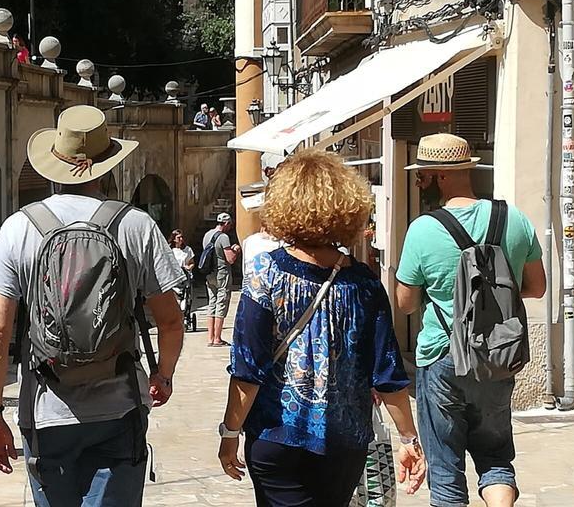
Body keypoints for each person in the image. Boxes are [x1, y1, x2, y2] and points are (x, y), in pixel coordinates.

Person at [0, 105, 185, 506]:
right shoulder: (136, 225)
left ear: (53, 165)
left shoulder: (19, 227)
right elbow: (171, 321)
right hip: (120, 407)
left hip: (45, 411)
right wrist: (163, 374)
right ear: (106, 167)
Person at [218, 149, 425, 506]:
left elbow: (248, 367)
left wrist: (230, 431)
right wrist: (408, 438)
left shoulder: (265, 273)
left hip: (276, 434)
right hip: (343, 442)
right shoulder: (363, 283)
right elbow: (388, 373)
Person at [395, 133, 547, 507]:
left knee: (445, 471)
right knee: (496, 460)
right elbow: (537, 286)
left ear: (440, 176)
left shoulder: (423, 229)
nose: (419, 183)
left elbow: (406, 303)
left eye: (422, 176)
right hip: (497, 357)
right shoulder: (514, 219)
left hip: (442, 355)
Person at [203, 213, 240, 347]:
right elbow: (230, 259)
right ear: (226, 223)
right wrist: (236, 250)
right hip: (222, 273)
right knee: (221, 303)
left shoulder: (207, 234)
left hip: (210, 274)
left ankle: (210, 338)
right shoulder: (224, 237)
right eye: (230, 224)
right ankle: (217, 338)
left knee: (212, 303)